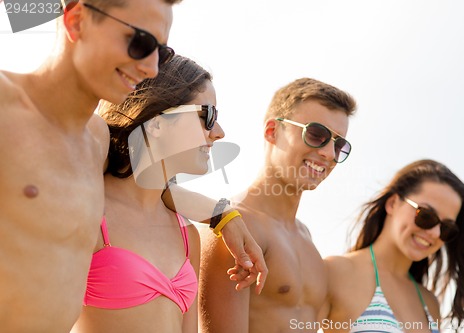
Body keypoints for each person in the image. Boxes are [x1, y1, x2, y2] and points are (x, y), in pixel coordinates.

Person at [0, 1, 265, 332]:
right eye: (140, 43)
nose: (152, 68)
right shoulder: (7, 107)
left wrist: (223, 215)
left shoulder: (93, 141)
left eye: (160, 50)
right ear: (77, 20)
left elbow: (139, 184)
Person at [72, 54, 225, 333]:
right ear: (156, 123)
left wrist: (225, 215)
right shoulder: (90, 215)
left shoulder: (187, 235)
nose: (219, 133)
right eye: (208, 116)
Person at [198, 78, 357, 333]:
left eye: (339, 145)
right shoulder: (233, 226)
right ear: (272, 131)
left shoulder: (307, 239)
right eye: (317, 134)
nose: (328, 153)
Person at [323, 159, 464, 333]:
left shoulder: (429, 303)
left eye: (446, 228)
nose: (435, 233)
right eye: (426, 216)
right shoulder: (334, 272)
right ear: (392, 204)